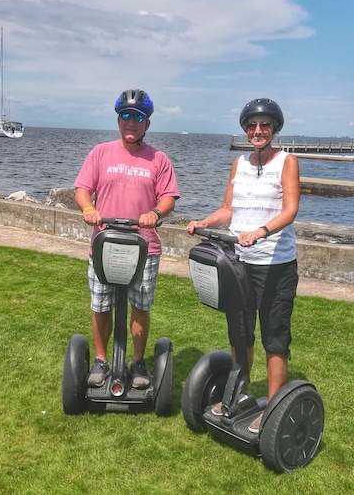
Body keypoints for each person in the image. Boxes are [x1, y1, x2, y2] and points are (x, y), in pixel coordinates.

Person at [186, 98, 300, 433]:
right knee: (240, 331)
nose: (257, 130)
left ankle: (274, 410)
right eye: (252, 125)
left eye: (264, 125)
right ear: (245, 129)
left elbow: (290, 209)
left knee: (274, 336)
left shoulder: (286, 161)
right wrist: (204, 221)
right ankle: (240, 394)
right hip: (239, 262)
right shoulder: (239, 163)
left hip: (275, 264)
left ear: (274, 129)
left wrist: (261, 232)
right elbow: (228, 210)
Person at [74, 89, 180, 389]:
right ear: (118, 120)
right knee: (101, 304)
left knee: (140, 306)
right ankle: (100, 360)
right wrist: (89, 208)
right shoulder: (100, 153)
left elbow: (169, 197)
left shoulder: (158, 159)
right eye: (126, 116)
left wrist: (155, 213)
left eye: (138, 117)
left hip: (144, 244)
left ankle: (137, 361)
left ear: (147, 123)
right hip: (104, 242)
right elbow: (82, 189)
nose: (131, 122)